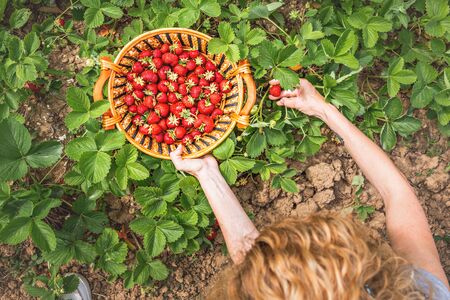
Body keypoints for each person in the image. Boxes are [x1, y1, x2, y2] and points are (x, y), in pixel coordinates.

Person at [169, 79, 450, 299]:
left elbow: (256, 266)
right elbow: (397, 195)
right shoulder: (421, 293)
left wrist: (206, 173)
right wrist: (323, 110)